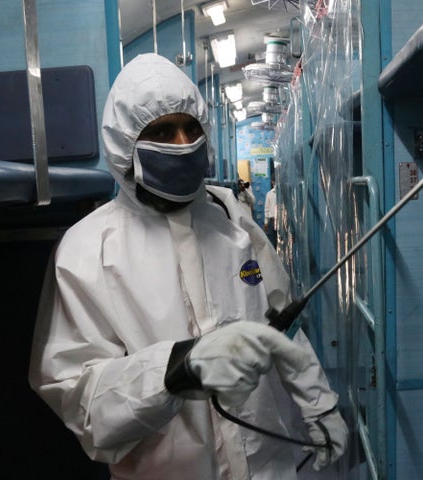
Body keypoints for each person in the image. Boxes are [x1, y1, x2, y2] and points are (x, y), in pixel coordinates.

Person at [28, 53, 347, 480]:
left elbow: (283, 327)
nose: (182, 143)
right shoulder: (88, 251)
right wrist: (176, 369)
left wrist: (318, 404)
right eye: (162, 131)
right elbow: (79, 398)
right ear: (126, 144)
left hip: (269, 463)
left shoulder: (231, 216)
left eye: (191, 128)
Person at [264, 180, 277, 247]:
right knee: (273, 239)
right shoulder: (269, 194)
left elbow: (267, 209)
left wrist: (266, 222)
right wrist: (266, 222)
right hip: (273, 220)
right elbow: (267, 209)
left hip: (275, 219)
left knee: (274, 239)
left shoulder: (269, 194)